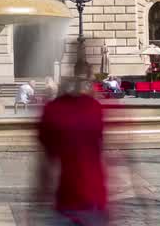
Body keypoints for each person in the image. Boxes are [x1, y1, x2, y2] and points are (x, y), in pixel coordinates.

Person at [36, 60, 110, 225]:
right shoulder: (97, 108)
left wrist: (38, 199)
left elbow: (44, 165)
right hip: (91, 199)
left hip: (70, 200)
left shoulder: (54, 109)